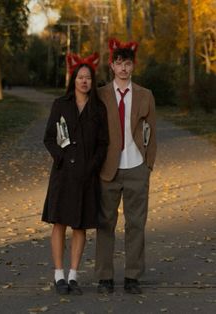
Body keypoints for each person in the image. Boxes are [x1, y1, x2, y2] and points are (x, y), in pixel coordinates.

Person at [42, 52, 109, 295]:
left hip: (86, 175)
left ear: (92, 82)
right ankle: (58, 274)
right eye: (80, 77)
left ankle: (73, 276)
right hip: (62, 174)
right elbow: (49, 137)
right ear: (74, 80)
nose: (84, 82)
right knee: (59, 222)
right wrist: (59, 157)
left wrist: (92, 166)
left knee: (79, 225)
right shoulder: (60, 104)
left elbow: (104, 143)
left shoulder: (98, 109)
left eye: (88, 78)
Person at [95, 38, 157, 294]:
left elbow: (151, 131)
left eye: (127, 63)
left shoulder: (145, 95)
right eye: (118, 63)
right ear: (111, 66)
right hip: (108, 169)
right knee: (105, 223)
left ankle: (132, 276)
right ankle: (105, 277)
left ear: (133, 66)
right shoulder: (100, 94)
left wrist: (148, 165)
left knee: (136, 225)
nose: (123, 68)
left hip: (136, 168)